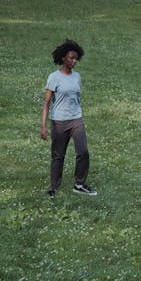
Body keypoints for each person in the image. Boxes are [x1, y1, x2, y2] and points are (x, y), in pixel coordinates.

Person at [40, 39, 97, 197]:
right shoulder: (54, 77)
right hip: (59, 121)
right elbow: (46, 103)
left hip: (76, 119)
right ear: (63, 58)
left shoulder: (77, 76)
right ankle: (54, 186)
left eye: (76, 59)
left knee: (83, 151)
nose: (74, 61)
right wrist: (43, 126)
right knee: (58, 155)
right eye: (71, 58)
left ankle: (79, 184)